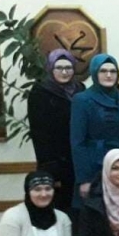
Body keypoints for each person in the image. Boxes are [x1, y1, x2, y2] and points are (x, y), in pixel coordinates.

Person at [71, 53, 119, 208]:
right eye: (103, 71)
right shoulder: (82, 100)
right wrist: (84, 179)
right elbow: (78, 142)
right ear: (94, 73)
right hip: (96, 165)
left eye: (113, 71)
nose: (109, 75)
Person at [28, 49, 85, 213]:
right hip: (55, 160)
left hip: (78, 158)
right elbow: (38, 133)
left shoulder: (80, 89)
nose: (64, 72)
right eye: (59, 68)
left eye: (68, 68)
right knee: (58, 206)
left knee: (80, 208)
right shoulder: (40, 92)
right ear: (50, 68)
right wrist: (49, 166)